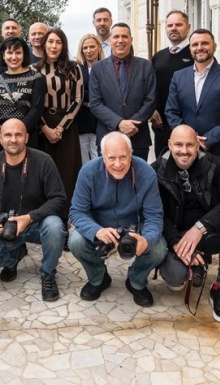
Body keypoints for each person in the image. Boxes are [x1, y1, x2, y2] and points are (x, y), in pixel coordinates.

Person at [152, 126, 220, 324]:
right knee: (174, 277)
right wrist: (176, 242)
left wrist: (200, 227)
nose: (184, 150)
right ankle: (190, 266)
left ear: (198, 145)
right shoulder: (155, 171)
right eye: (178, 145)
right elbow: (156, 214)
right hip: (177, 234)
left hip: (208, 231)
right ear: (169, 145)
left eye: (190, 145)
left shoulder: (216, 165)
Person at [0, 119, 69, 301]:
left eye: (18, 134)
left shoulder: (43, 161)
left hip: (36, 223)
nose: (13, 139)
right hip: (5, 227)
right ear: (0, 139)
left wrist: (31, 217)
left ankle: (48, 273)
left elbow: (59, 198)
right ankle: (14, 256)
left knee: (55, 226)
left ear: (27, 137)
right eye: (8, 135)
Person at [68, 132, 166, 307]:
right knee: (75, 241)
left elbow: (154, 216)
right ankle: (98, 278)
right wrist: (95, 230)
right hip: (100, 226)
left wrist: (147, 239)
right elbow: (76, 212)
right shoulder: (88, 172)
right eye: (112, 158)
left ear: (131, 154)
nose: (118, 164)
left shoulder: (146, 172)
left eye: (123, 157)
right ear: (102, 156)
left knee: (158, 247)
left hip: (135, 226)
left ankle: (136, 281)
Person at [165, 28, 220, 169]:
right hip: (186, 154)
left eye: (205, 43)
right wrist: (188, 139)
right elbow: (171, 111)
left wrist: (207, 140)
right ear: (190, 48)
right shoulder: (178, 77)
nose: (199, 48)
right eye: (195, 44)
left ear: (214, 46)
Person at [88, 23, 156, 161]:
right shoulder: (97, 68)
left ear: (131, 40)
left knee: (138, 179)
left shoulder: (146, 66)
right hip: (108, 137)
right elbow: (95, 103)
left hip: (138, 136)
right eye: (116, 37)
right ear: (110, 40)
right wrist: (119, 123)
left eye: (124, 36)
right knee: (109, 180)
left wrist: (132, 124)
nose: (120, 40)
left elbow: (151, 99)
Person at [35, 27, 85, 200]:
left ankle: (68, 214)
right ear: (44, 44)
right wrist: (45, 128)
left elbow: (78, 98)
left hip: (67, 124)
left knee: (68, 170)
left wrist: (60, 128)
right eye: (50, 41)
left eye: (58, 42)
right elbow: (33, 104)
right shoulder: (34, 70)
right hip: (43, 123)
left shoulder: (74, 68)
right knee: (44, 170)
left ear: (63, 45)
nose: (54, 46)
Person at [0, 36, 45, 147]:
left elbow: (37, 109)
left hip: (27, 137)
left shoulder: (36, 78)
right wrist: (0, 133)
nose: (13, 57)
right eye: (9, 53)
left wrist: (18, 132)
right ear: (3, 55)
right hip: (1, 139)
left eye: (18, 53)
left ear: (24, 55)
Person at [149, 10, 194, 157]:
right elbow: (150, 87)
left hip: (188, 124)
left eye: (178, 24)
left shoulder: (196, 55)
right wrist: (152, 110)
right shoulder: (158, 57)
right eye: (170, 25)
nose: (173, 28)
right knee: (162, 168)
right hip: (161, 124)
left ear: (188, 27)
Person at [75, 33, 103, 164]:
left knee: (99, 159)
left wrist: (87, 98)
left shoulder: (106, 67)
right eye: (85, 48)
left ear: (98, 47)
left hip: (100, 123)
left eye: (92, 46)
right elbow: (76, 92)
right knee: (84, 162)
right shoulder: (77, 69)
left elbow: (107, 92)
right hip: (81, 121)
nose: (88, 50)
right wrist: (90, 101)